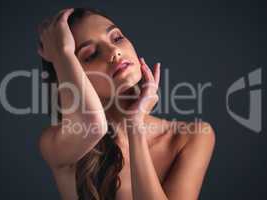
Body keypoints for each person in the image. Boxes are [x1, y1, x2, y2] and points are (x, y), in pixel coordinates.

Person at [37, 7, 216, 200]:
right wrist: (63, 53)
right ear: (71, 77)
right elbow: (93, 126)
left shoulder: (192, 136)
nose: (114, 51)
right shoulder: (57, 144)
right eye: (90, 55)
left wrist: (135, 126)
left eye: (116, 38)